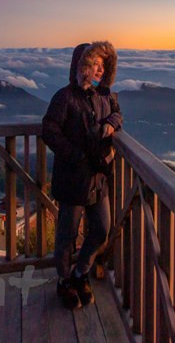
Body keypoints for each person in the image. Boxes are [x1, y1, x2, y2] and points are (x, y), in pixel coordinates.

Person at [42, 41, 122, 309]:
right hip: (73, 179)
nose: (99, 70)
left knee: (101, 228)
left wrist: (111, 124)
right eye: (94, 64)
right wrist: (75, 156)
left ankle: (80, 273)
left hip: (98, 179)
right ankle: (65, 281)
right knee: (67, 235)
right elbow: (49, 129)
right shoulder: (65, 97)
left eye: (102, 65)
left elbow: (118, 115)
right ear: (81, 66)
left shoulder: (105, 96)